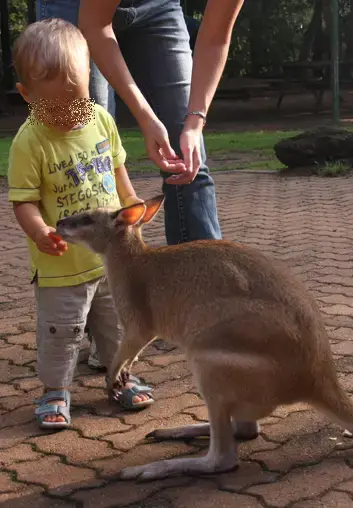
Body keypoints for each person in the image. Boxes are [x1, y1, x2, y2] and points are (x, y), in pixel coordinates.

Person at [37, 0, 245, 359]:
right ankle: (100, 330)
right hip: (79, 8)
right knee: (87, 152)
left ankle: (206, 313)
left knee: (190, 159)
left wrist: (194, 121)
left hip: (158, 6)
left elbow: (214, 40)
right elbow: (95, 24)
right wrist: (147, 118)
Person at [8, 19, 156, 430]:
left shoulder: (100, 120)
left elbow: (118, 172)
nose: (70, 115)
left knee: (116, 325)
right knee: (62, 333)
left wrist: (134, 206)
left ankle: (120, 375)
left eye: (77, 102)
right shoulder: (29, 142)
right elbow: (24, 201)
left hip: (110, 261)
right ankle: (56, 390)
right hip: (61, 268)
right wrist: (39, 231)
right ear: (27, 96)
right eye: (55, 108)